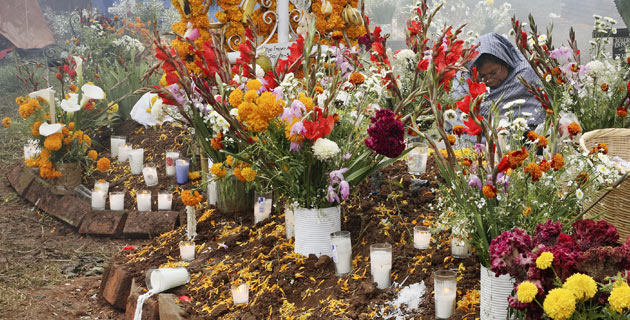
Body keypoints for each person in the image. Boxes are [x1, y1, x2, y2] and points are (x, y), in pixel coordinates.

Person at [454, 33, 545, 131]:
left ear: (506, 62)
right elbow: (458, 120)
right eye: (482, 76)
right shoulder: (463, 82)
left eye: (493, 73)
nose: (489, 79)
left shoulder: (525, 75)